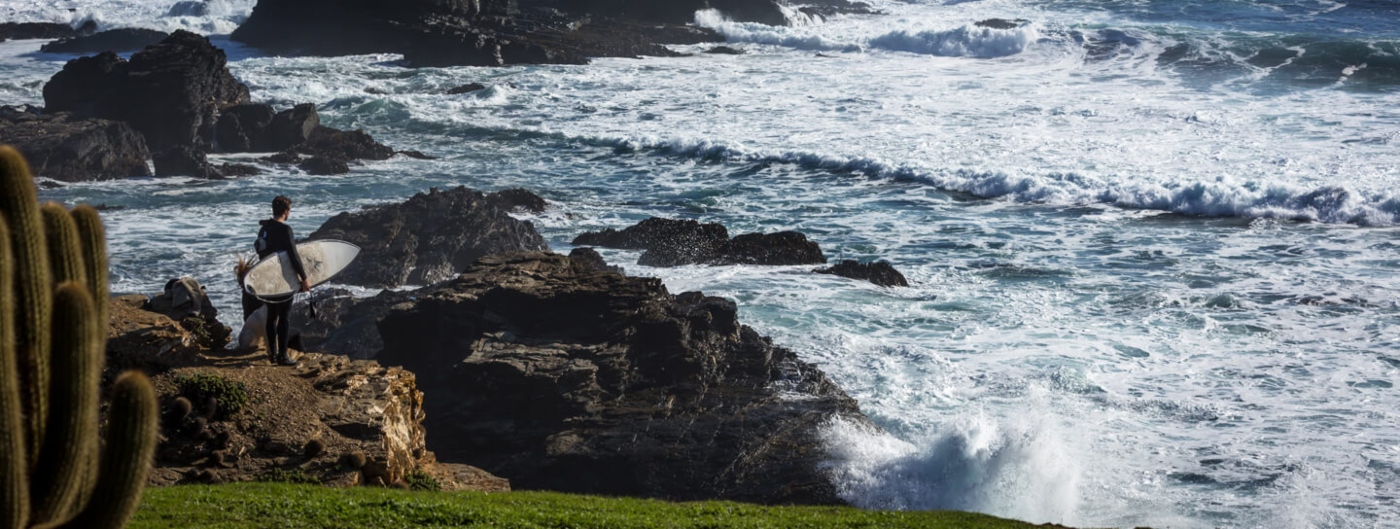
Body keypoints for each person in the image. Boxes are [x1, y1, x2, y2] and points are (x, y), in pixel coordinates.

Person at [254, 195, 310, 366]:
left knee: (271, 316)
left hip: (267, 277)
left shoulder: (264, 229)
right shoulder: (285, 230)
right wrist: (304, 278)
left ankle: (272, 354)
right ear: (286, 211)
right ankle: (283, 356)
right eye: (289, 210)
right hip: (282, 279)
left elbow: (261, 252)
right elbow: (293, 255)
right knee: (284, 317)